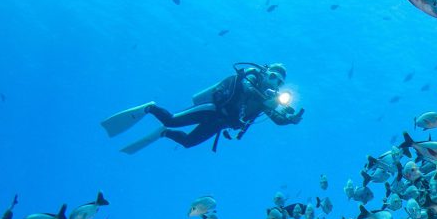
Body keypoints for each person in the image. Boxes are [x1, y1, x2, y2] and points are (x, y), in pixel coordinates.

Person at [100, 62, 305, 154]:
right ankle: (150, 108)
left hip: (220, 124)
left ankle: (164, 134)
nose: (274, 82)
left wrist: (290, 120)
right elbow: (245, 87)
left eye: (279, 82)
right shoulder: (252, 77)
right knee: (171, 119)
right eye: (273, 76)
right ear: (266, 73)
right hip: (212, 110)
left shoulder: (269, 101)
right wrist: (266, 101)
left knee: (188, 142)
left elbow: (277, 121)